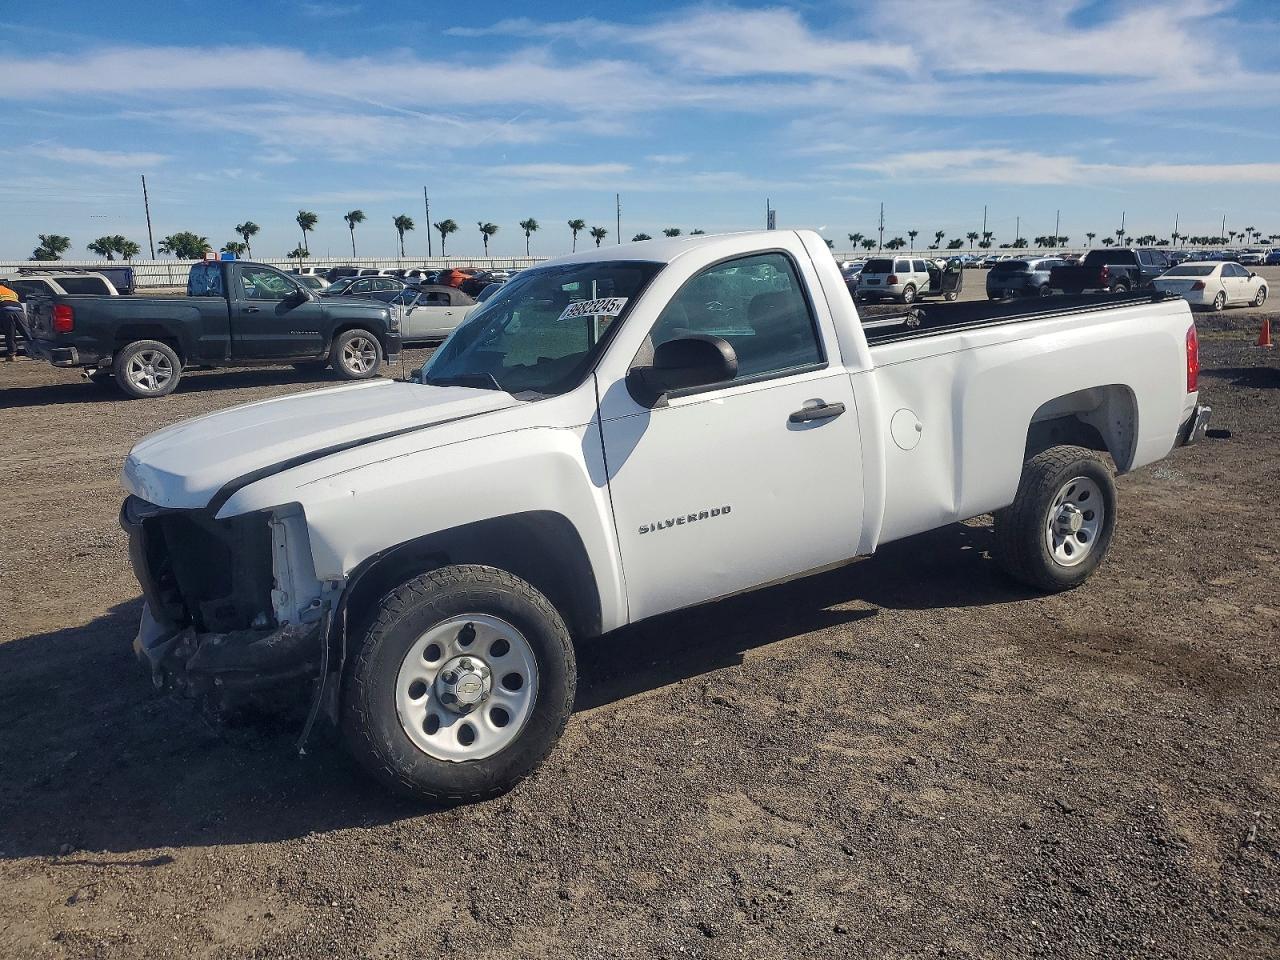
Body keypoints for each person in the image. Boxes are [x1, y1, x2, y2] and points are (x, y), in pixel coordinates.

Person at [0, 280, 26, 361]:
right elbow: (16, 298)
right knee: (26, 332)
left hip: (6, 309)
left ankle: (12, 355)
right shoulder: (11, 291)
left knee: (10, 333)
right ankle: (38, 351)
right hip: (19, 309)